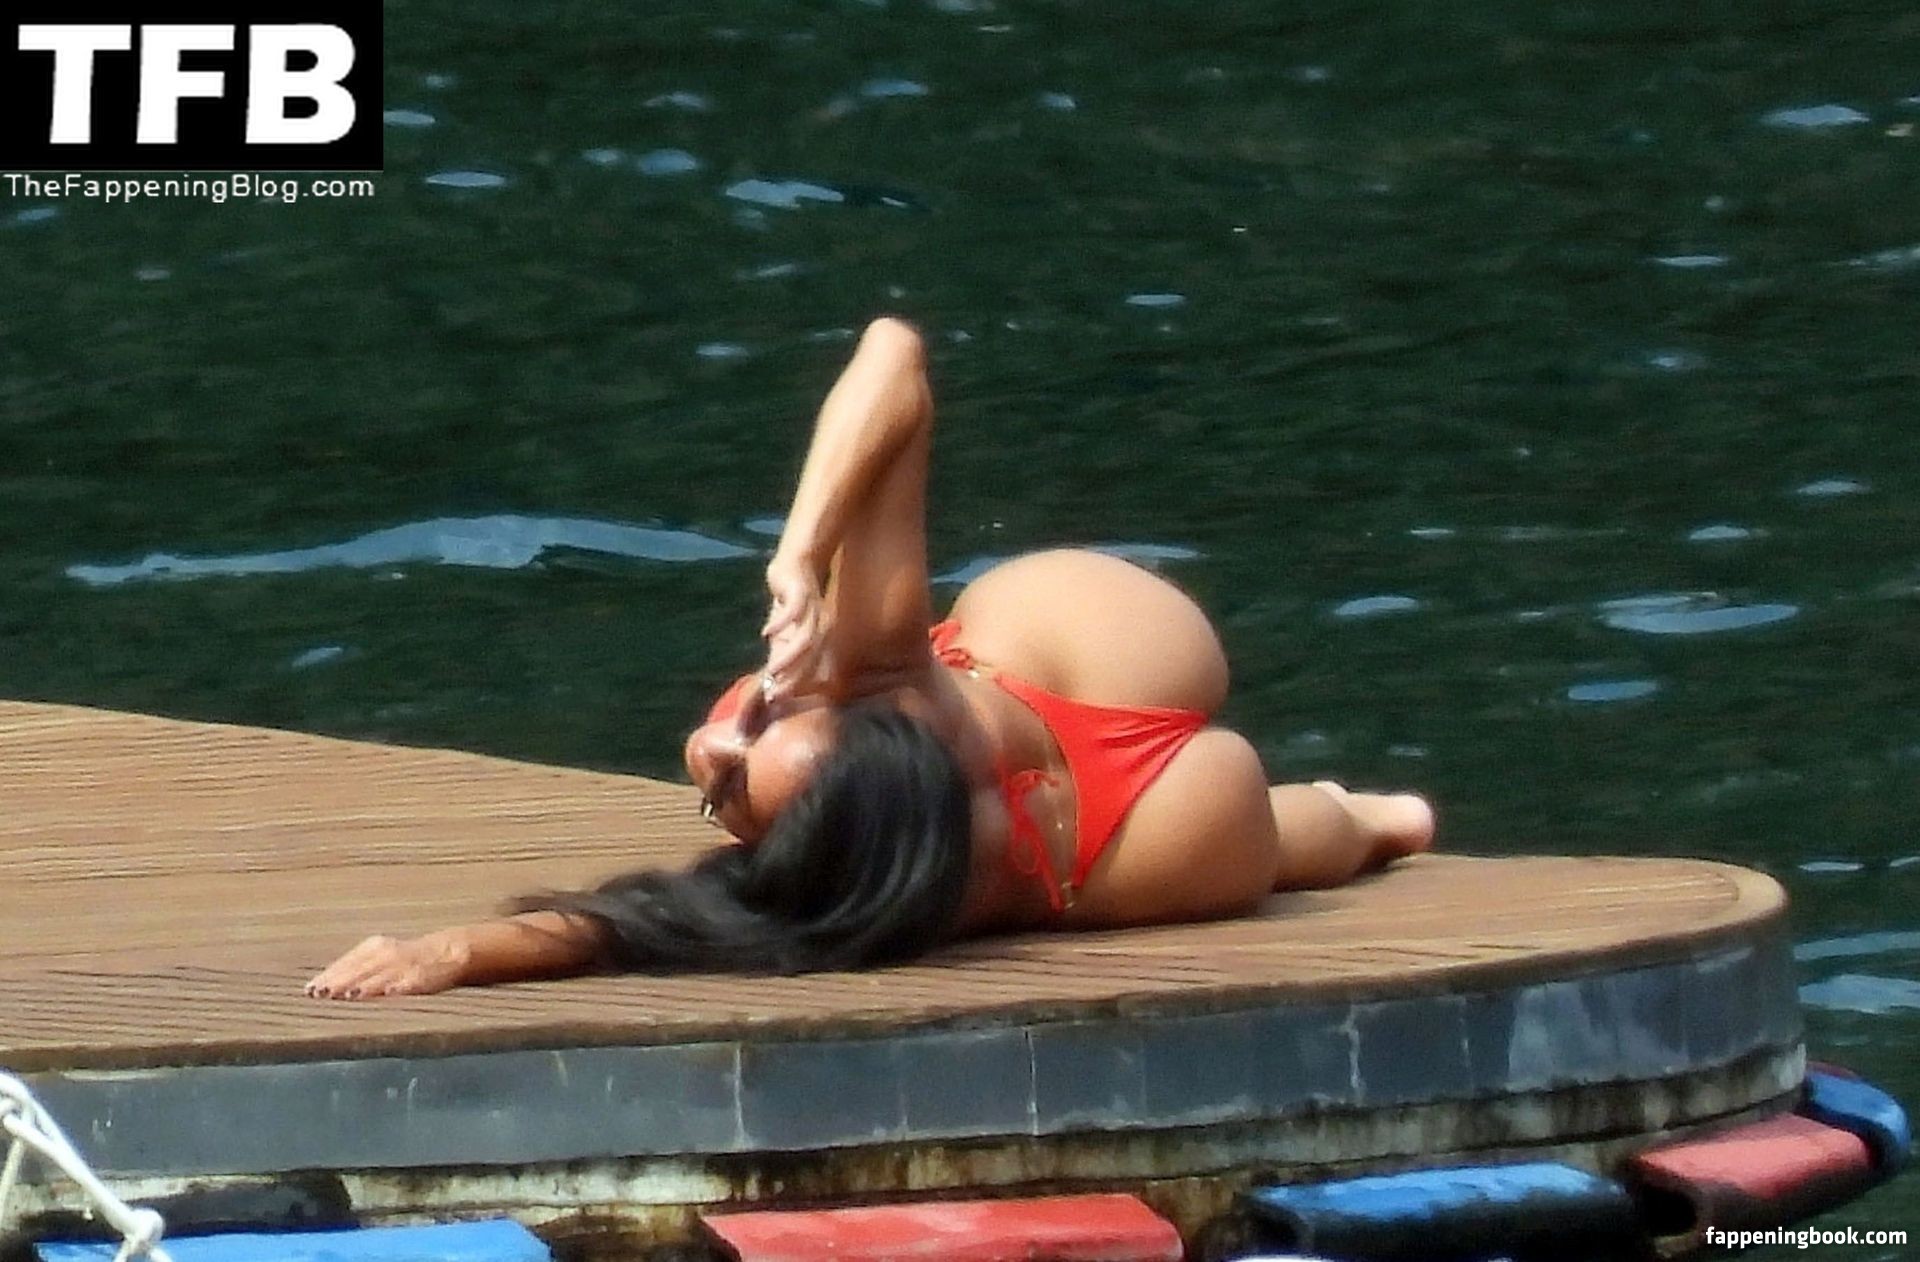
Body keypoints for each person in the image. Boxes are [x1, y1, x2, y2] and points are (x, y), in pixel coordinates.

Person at [306, 318, 1433, 1000]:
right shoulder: (878, 692)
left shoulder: (843, 855)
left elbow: (623, 927)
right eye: (733, 784)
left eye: (737, 753)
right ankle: (1364, 814)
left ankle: (1369, 820)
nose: (713, 746)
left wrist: (455, 950)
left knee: (1276, 836)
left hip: (1092, 797)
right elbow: (893, 352)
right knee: (1265, 823)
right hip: (1111, 805)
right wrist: (804, 557)